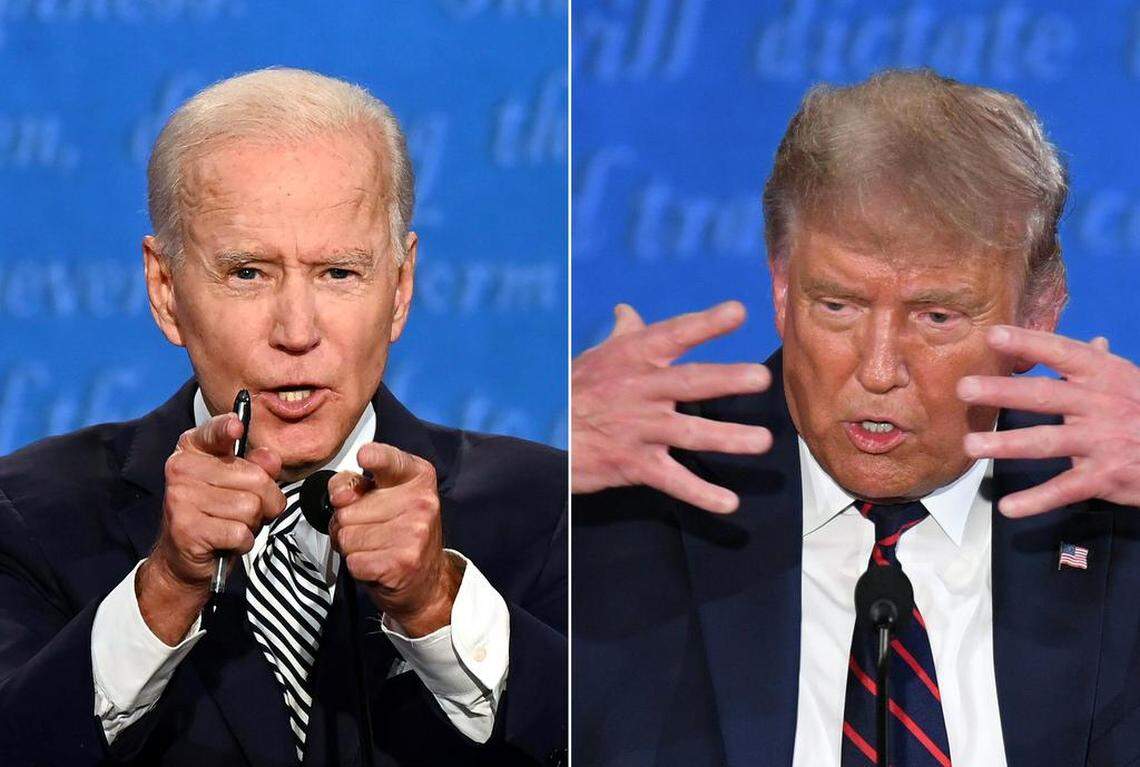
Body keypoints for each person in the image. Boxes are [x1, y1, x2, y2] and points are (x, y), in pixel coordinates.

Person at [572, 69, 1140, 766]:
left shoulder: (1117, 521)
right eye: (837, 305)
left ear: (1039, 313)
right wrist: (547, 458)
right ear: (781, 288)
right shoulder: (628, 507)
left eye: (935, 316)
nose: (877, 368)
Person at [0, 68, 566, 767]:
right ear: (166, 288)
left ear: (400, 287)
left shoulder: (552, 510)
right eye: (248, 273)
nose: (297, 330)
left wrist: (436, 606)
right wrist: (167, 589)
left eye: (338, 272)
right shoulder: (25, 517)